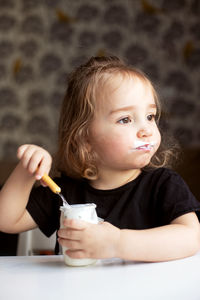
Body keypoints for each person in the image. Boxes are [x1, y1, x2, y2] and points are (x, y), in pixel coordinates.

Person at [0, 55, 200, 262]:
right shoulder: (64, 191)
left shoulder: (163, 184)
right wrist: (27, 170)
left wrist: (117, 243)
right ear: (85, 138)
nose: (146, 130)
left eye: (150, 116)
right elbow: (6, 220)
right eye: (125, 119)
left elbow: (191, 237)